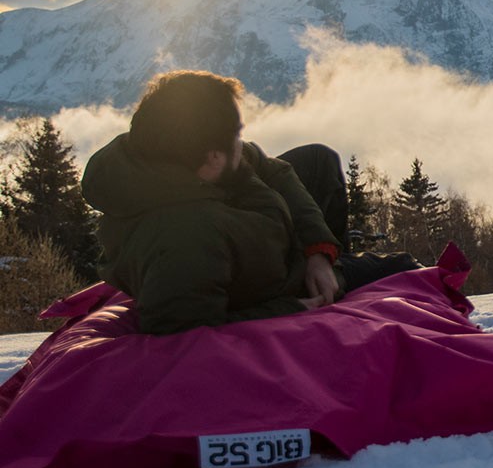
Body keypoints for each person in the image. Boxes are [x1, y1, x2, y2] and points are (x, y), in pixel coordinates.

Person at [81, 70, 420, 335]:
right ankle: (339, 293)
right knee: (402, 267)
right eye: (238, 135)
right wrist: (293, 309)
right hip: (271, 283)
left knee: (317, 160)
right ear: (213, 158)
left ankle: (332, 269)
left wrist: (319, 252)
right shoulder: (184, 238)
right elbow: (183, 331)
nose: (244, 143)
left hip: (261, 243)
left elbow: (276, 169)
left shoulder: (165, 154)